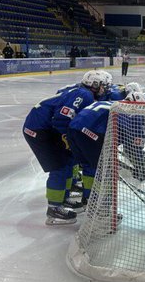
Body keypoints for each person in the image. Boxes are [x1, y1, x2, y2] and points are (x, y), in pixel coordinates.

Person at [23, 70, 106, 225]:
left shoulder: (81, 91)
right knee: (59, 166)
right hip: (38, 129)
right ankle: (54, 209)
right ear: (95, 85)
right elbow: (61, 118)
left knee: (68, 161)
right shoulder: (85, 95)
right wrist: (68, 139)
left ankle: (63, 199)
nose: (105, 88)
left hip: (43, 127)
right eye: (103, 85)